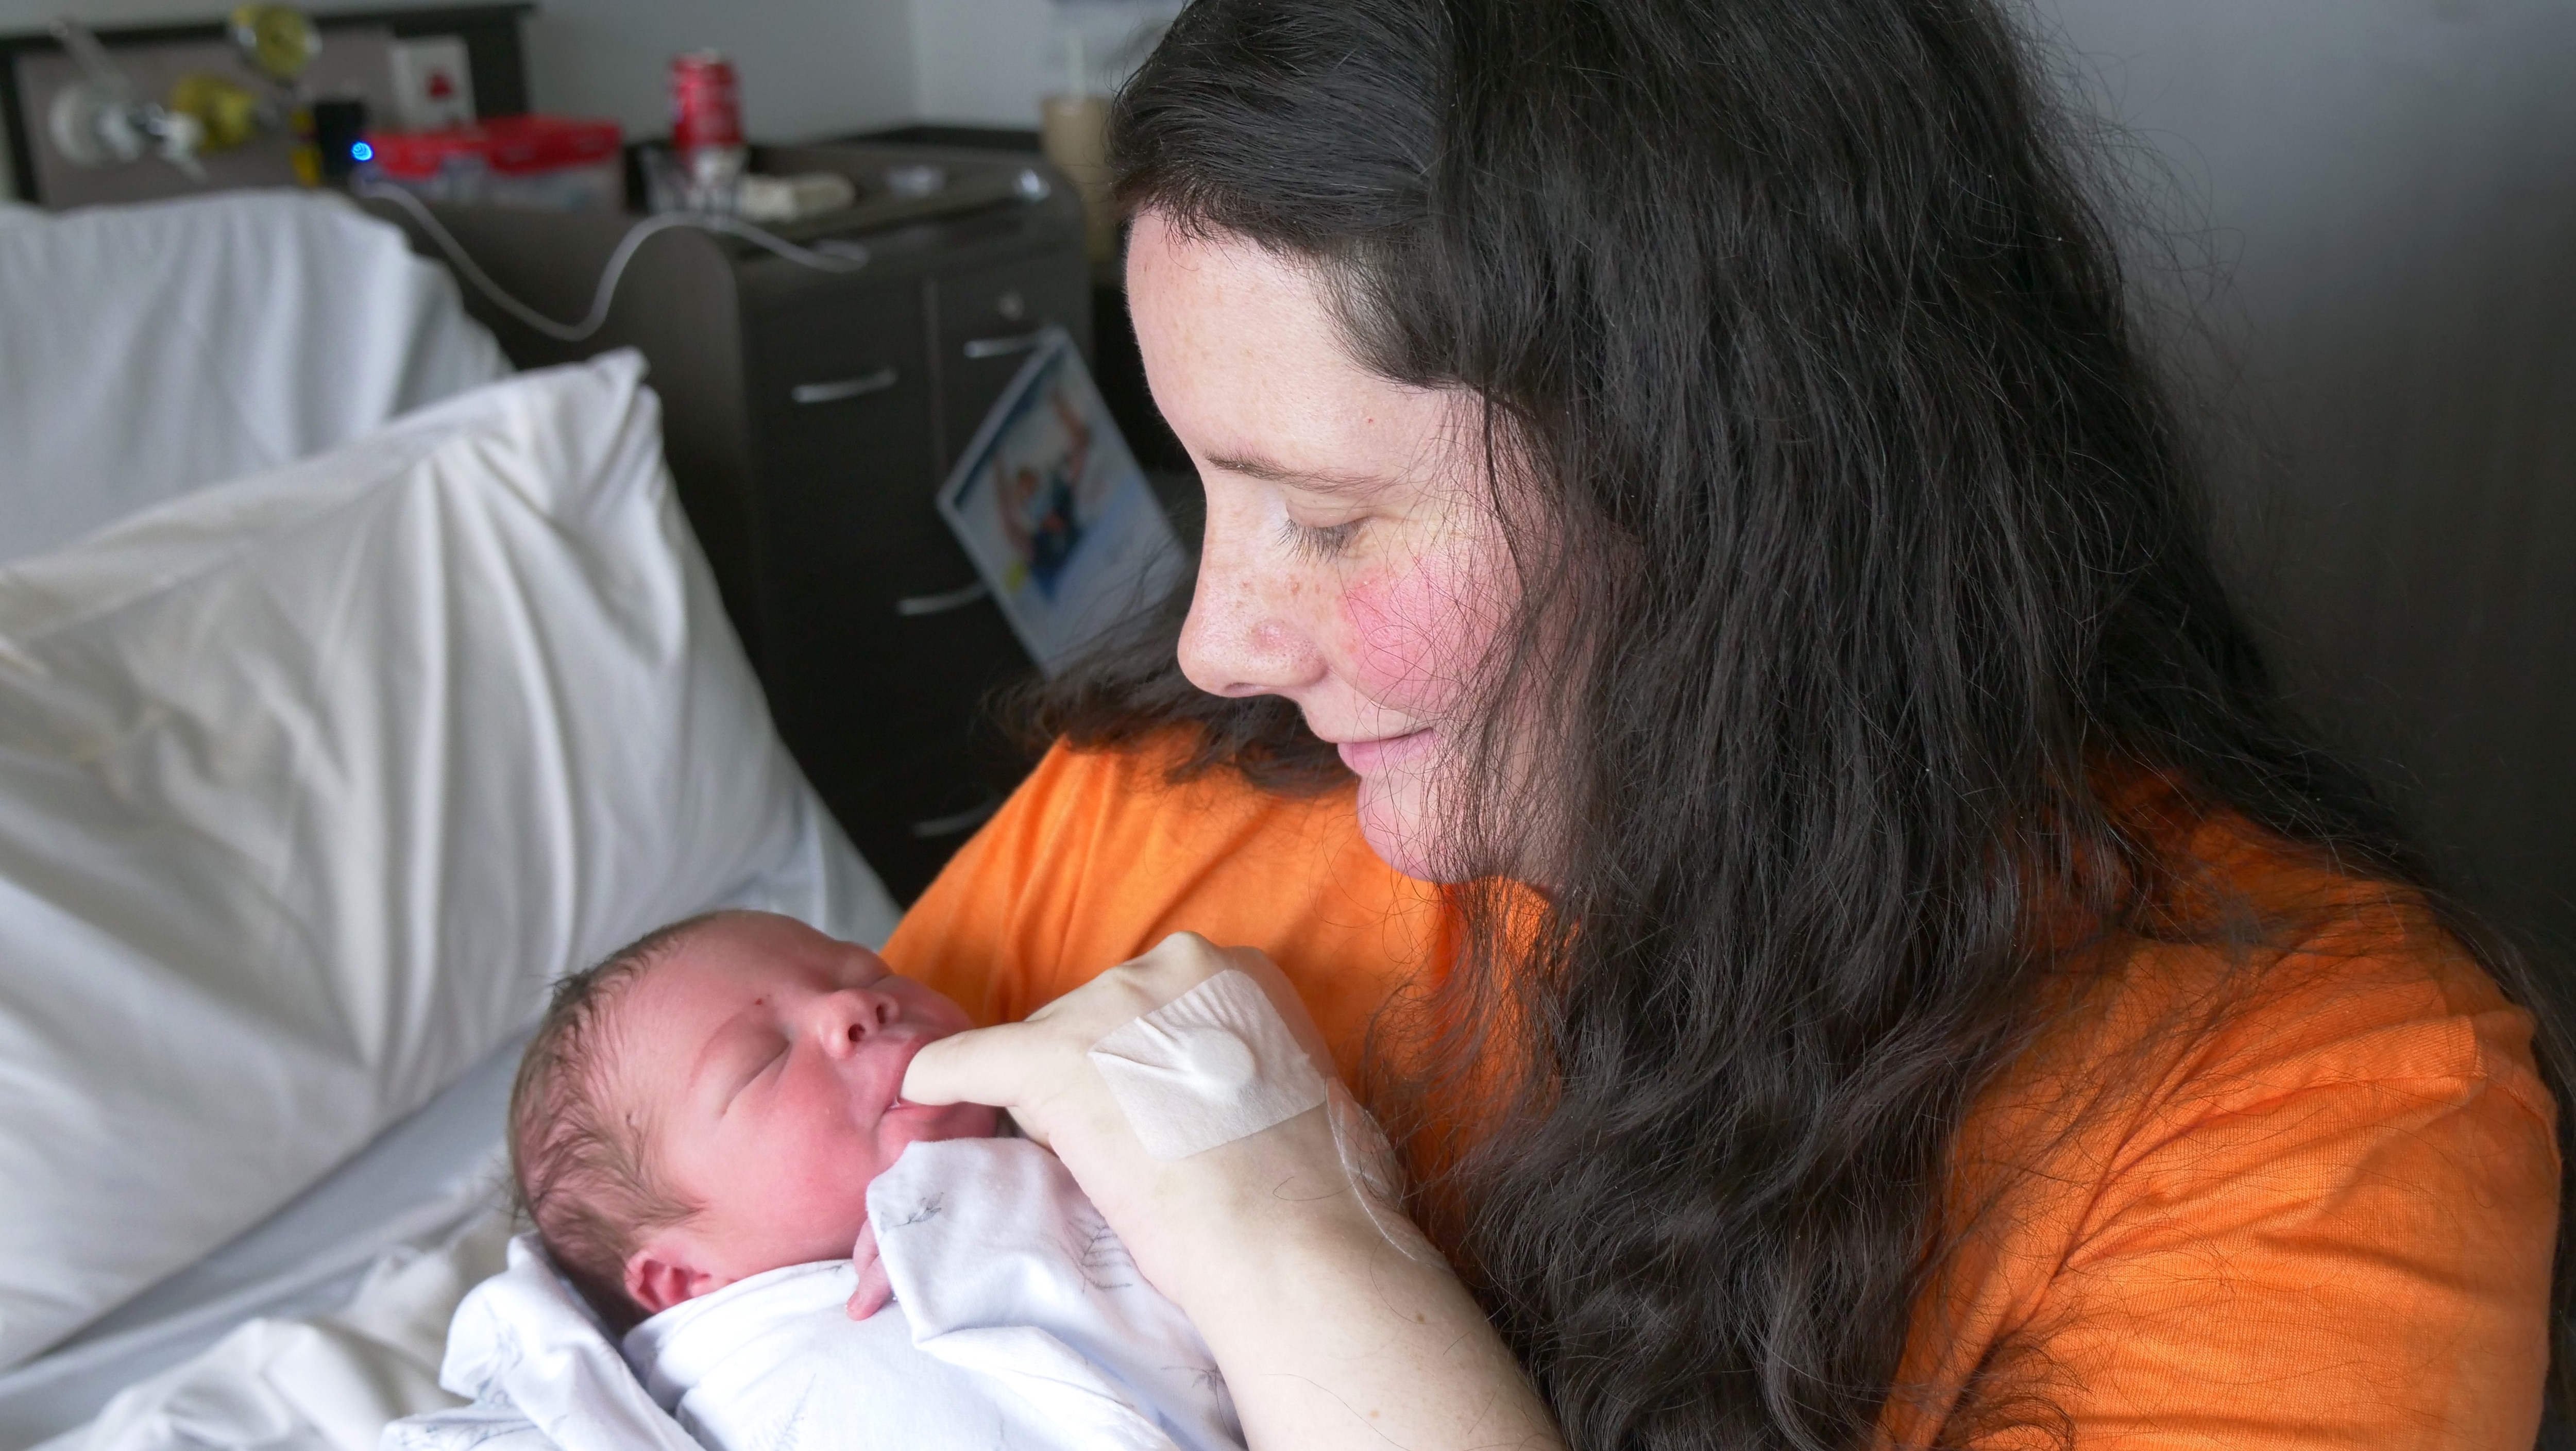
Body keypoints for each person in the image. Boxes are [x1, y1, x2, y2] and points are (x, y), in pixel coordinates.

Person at [883, 1, 2569, 1447]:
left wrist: (1292, 1238)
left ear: (1741, 495)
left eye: (1326, 517)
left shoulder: (2317, 1108)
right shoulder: (1149, 801)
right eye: (1208, 486)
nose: (1216, 640)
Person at [495, 910, 1244, 1451]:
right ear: (680, 1278)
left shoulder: (1058, 1104)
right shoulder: (756, 1375)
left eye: (868, 973)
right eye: (762, 1061)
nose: (852, 1008)